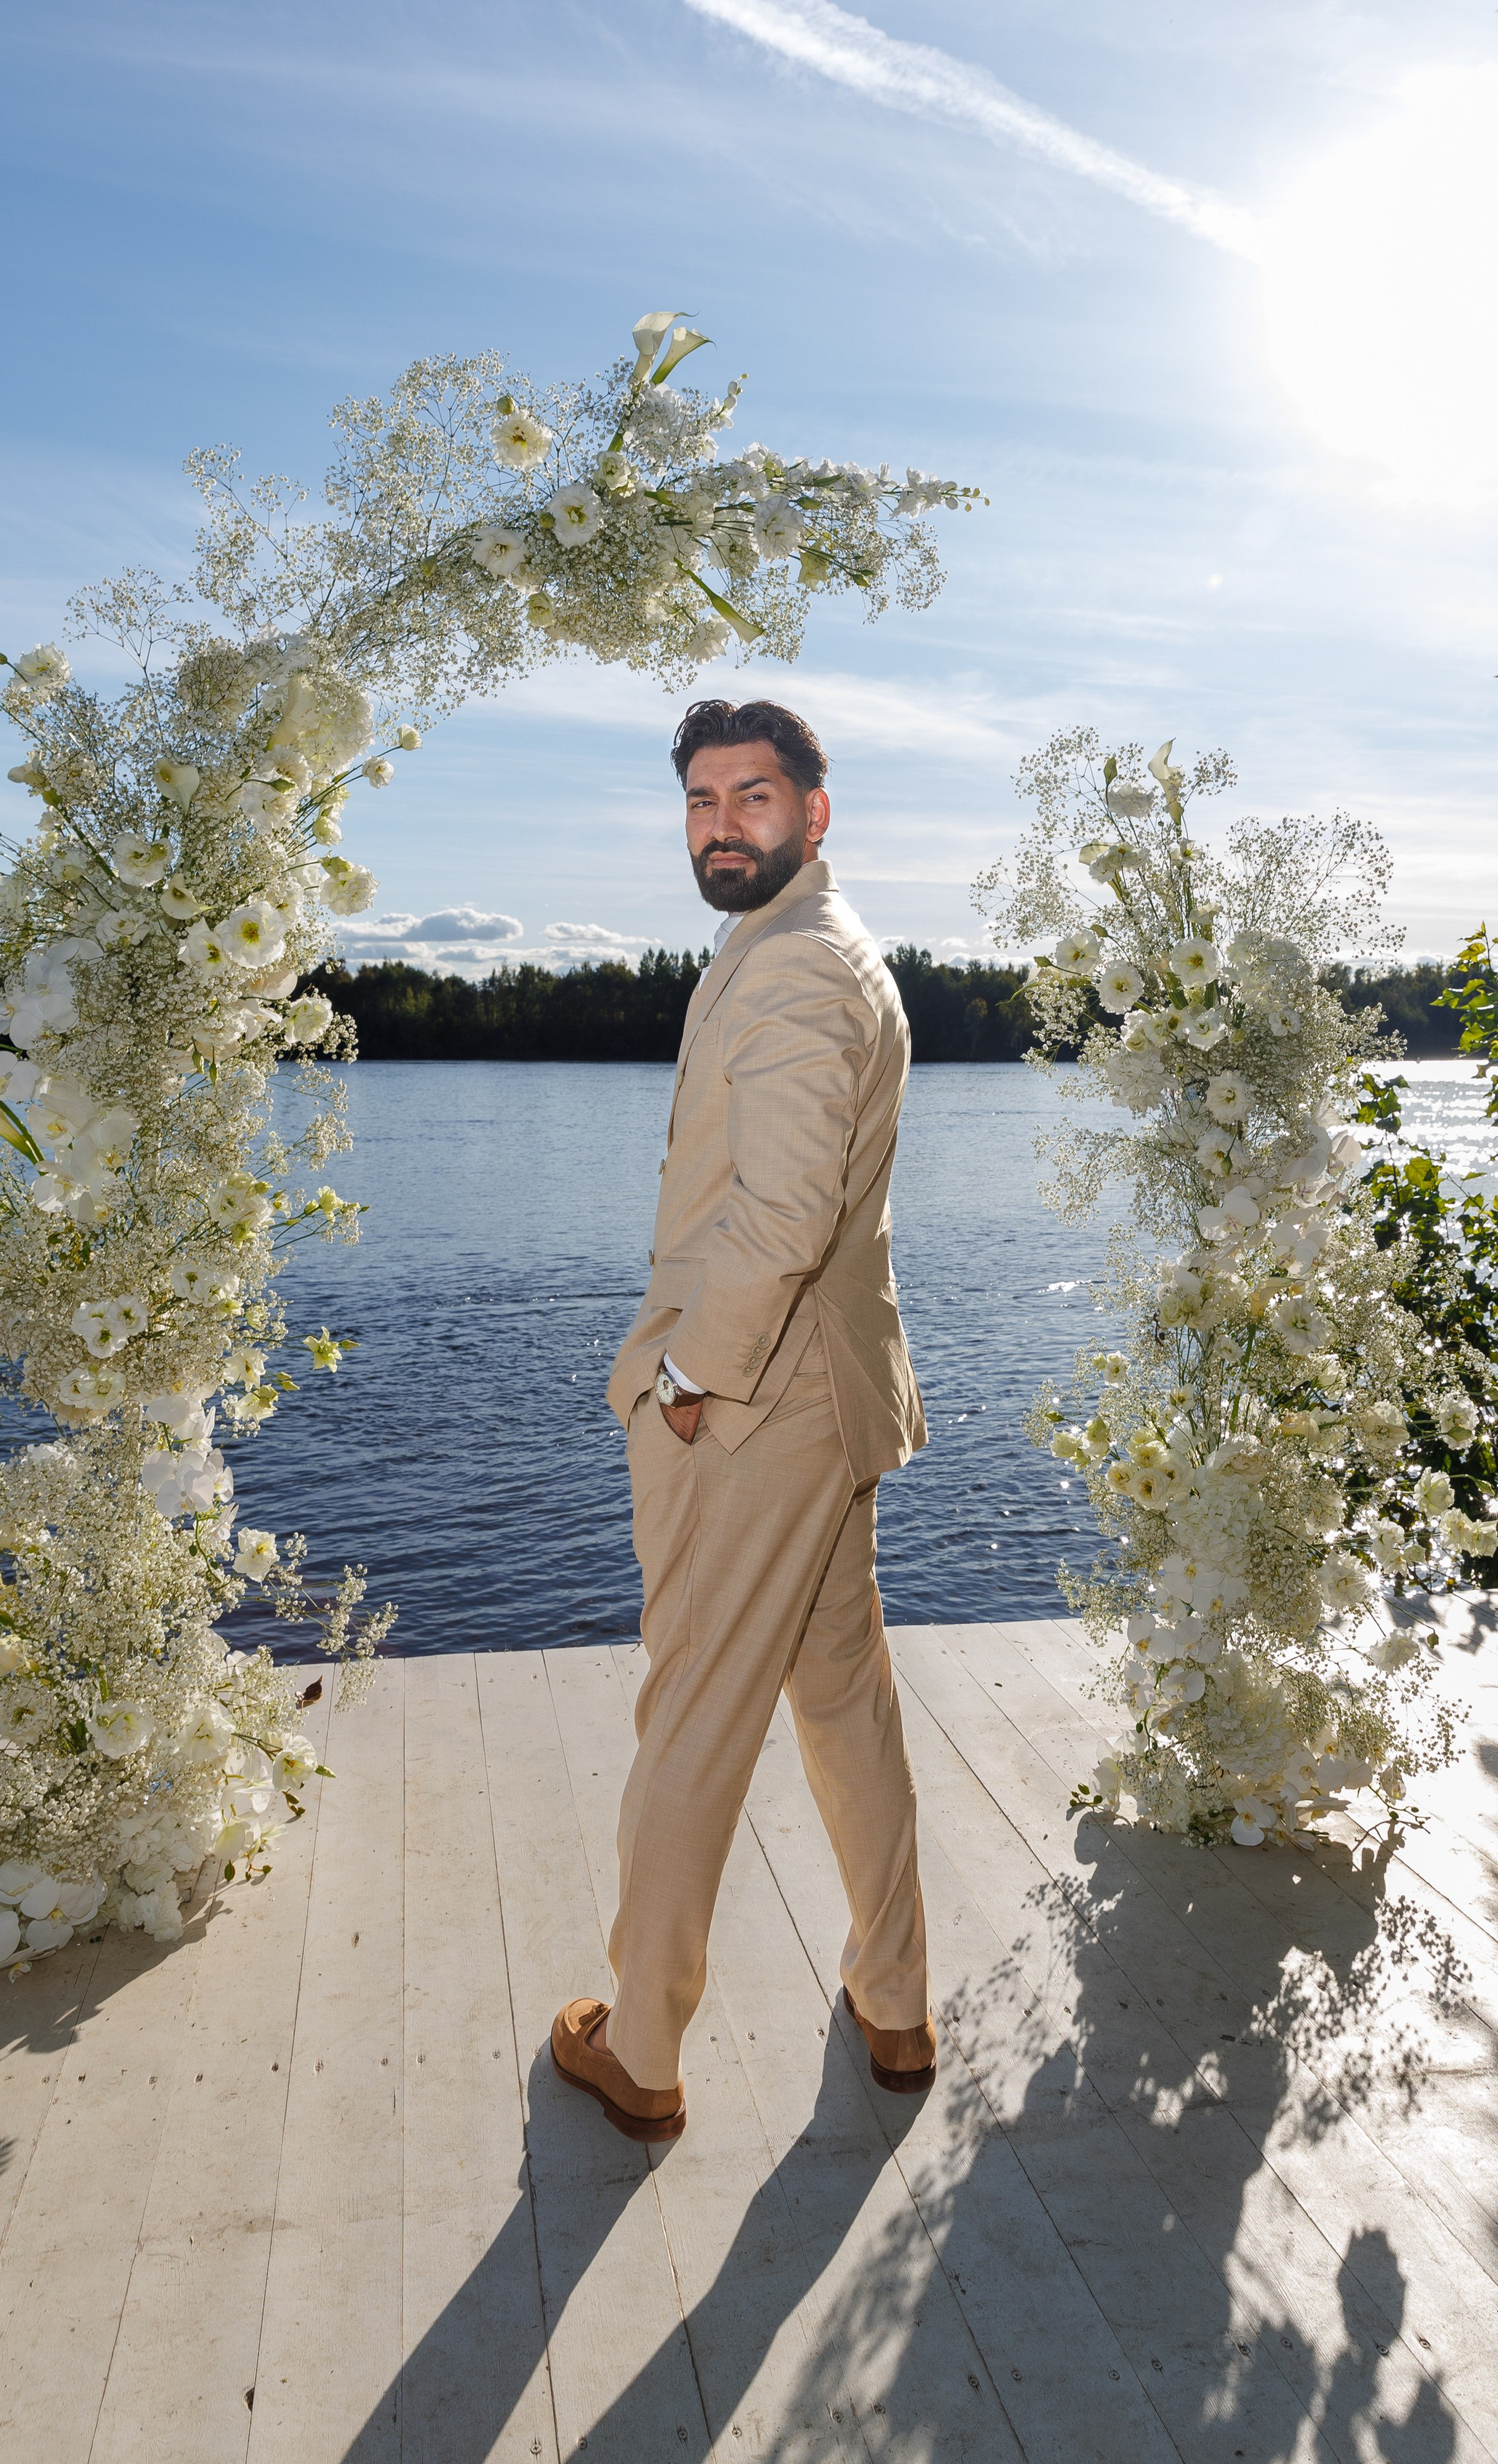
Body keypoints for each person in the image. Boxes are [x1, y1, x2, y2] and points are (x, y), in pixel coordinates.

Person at [551, 697, 934, 2144]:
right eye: (702, 800)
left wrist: (687, 1380)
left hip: (751, 1410)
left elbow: (776, 1215)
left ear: (813, 814)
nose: (723, 823)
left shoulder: (790, 975)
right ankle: (893, 2006)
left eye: (754, 797)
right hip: (823, 1401)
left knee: (692, 1722)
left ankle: (638, 2049)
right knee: (840, 1696)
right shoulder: (809, 949)